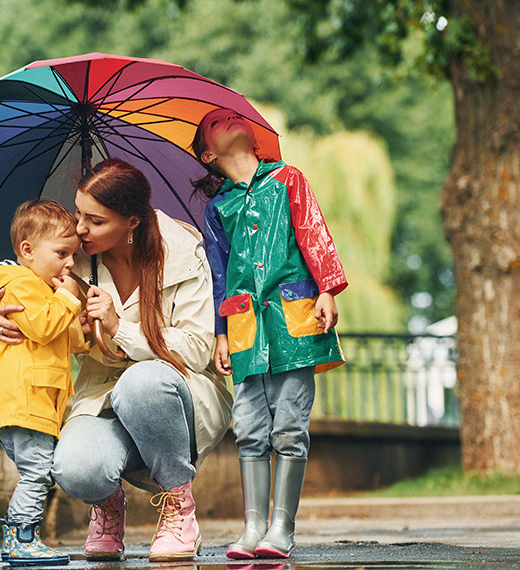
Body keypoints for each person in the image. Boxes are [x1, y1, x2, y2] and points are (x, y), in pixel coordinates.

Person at [0, 158, 233, 563]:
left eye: (94, 220)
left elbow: (198, 349)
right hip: (103, 396)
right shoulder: (71, 256)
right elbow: (23, 296)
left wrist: (118, 327)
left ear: (131, 222)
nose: (79, 229)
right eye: (78, 213)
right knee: (76, 468)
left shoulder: (183, 251)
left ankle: (178, 504)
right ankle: (108, 506)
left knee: (141, 383)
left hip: (175, 392)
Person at [190, 108, 348, 559]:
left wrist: (327, 289)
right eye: (215, 122)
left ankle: (282, 528)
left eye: (229, 116)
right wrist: (220, 333)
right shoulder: (218, 209)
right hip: (243, 326)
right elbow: (219, 276)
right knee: (251, 427)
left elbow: (314, 233)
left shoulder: (288, 179)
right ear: (208, 153)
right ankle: (253, 528)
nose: (227, 118)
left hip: (294, 315)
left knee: (290, 425)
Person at [0, 199, 87, 567]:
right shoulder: (20, 284)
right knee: (38, 474)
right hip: (25, 401)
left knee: (36, 472)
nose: (70, 264)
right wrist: (70, 298)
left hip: (28, 402)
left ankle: (21, 538)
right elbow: (45, 325)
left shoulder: (39, 291)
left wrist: (84, 327)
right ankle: (21, 536)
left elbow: (58, 337)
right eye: (62, 253)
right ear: (28, 251)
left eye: (73, 255)